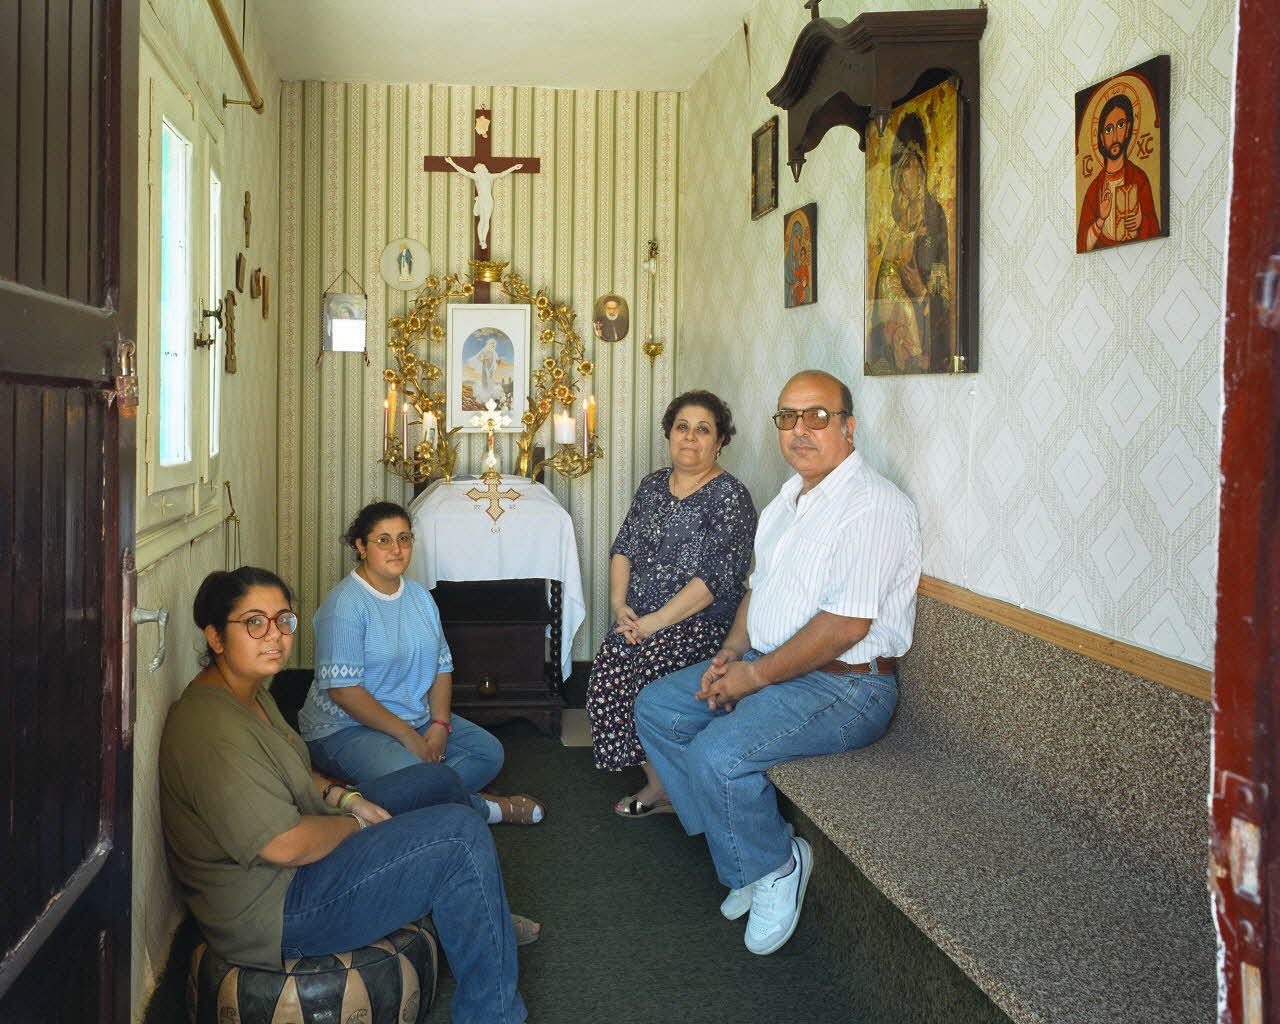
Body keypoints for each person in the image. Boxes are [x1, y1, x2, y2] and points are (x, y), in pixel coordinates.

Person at [159, 567, 530, 1023]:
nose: (274, 635)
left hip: (302, 858)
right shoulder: (213, 730)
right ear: (216, 637)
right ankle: (493, 1014)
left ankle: (477, 916)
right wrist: (356, 825)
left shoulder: (248, 692)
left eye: (283, 620)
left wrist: (343, 797)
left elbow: (294, 768)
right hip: (276, 909)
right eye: (254, 622)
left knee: (437, 782)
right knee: (459, 836)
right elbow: (284, 845)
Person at [635, 370, 921, 956]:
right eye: (788, 417)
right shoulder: (785, 502)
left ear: (849, 426)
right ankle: (741, 851)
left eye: (817, 416)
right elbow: (756, 592)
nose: (800, 430)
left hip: (846, 690)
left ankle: (776, 866)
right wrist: (731, 654)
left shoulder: (872, 507)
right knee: (660, 708)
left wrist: (754, 677)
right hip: (771, 665)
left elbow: (847, 625)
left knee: (719, 753)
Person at [300, 501, 545, 825]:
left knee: (489, 752)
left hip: (414, 718)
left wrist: (439, 725)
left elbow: (441, 666)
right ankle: (488, 809)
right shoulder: (345, 604)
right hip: (345, 729)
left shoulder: (418, 596)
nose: (396, 549)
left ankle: (384, 794)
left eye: (404, 538)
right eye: (383, 540)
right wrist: (408, 737)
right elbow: (344, 692)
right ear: (361, 546)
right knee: (419, 776)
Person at [587, 390, 755, 816]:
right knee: (606, 673)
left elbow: (714, 581)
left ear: (720, 442)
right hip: (641, 619)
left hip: (699, 623)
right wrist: (618, 604)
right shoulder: (652, 486)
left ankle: (682, 787)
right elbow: (624, 547)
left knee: (644, 667)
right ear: (669, 435)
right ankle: (661, 783)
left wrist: (654, 623)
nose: (691, 438)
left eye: (704, 430)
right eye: (683, 427)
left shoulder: (731, 497)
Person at [867, 112, 952, 373]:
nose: (905, 178)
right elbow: (879, 302)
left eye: (910, 167)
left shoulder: (934, 218)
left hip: (928, 344)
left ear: (923, 167)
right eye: (900, 170)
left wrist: (921, 291)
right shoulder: (896, 230)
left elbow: (942, 297)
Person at [1077, 93, 1160, 251]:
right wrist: (1101, 219)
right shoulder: (1094, 190)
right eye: (1108, 129)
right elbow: (1083, 243)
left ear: (1128, 128)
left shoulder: (1139, 178)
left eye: (1120, 125)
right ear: (1101, 137)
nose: (1115, 136)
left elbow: (1154, 227)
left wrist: (1141, 221)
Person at [444, 157, 523, 249]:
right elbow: (463, 171)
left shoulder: (490, 177)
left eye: (484, 167)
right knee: (482, 220)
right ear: (479, 170)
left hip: (489, 200)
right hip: (481, 200)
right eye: (482, 168)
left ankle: (484, 240)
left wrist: (514, 167)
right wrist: (452, 163)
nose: (485, 168)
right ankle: (481, 240)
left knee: (487, 220)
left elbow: (502, 174)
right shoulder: (476, 177)